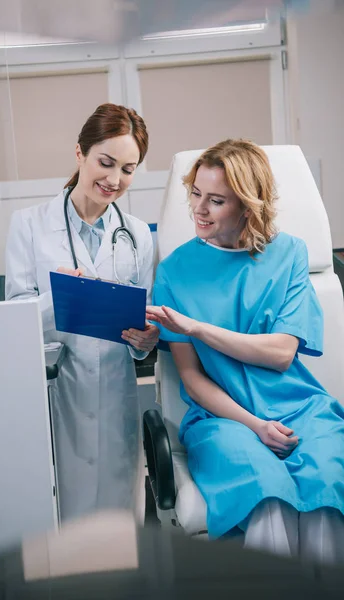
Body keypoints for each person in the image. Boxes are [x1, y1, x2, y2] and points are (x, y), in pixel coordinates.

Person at [146, 139, 344, 565]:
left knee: (326, 488)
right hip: (223, 418)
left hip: (299, 406)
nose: (199, 209)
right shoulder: (175, 272)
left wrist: (197, 327)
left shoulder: (290, 253)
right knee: (266, 492)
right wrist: (255, 425)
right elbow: (194, 382)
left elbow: (281, 353)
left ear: (247, 205)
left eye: (216, 200)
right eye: (195, 194)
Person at [6, 103, 159, 523]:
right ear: (80, 154)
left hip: (116, 391)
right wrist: (57, 299)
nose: (114, 179)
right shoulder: (29, 225)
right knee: (63, 519)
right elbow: (14, 324)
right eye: (105, 162)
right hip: (58, 394)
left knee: (118, 521)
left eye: (128, 169)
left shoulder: (139, 236)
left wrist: (147, 343)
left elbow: (143, 322)